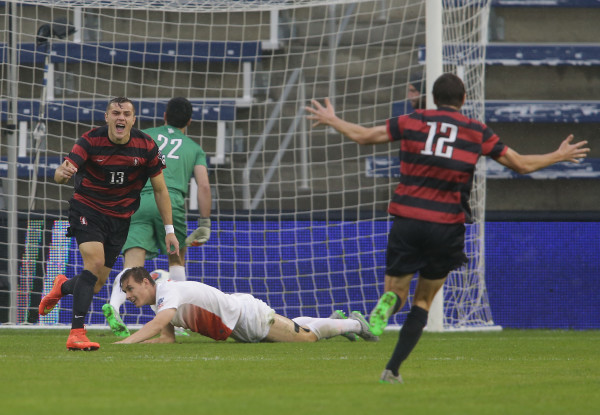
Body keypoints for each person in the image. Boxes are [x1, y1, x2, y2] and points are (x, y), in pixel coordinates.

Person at [305, 73, 590, 383]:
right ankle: (392, 370)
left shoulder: (413, 120)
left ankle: (386, 306)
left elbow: (364, 136)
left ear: (432, 97)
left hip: (409, 220)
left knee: (396, 291)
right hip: (446, 225)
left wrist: (333, 119)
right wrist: (559, 155)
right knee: (424, 301)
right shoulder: (477, 131)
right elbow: (520, 164)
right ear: (464, 99)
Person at [38, 97, 179, 351]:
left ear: (134, 119)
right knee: (92, 263)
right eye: (115, 113)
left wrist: (170, 231)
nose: (120, 118)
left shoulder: (146, 146)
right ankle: (77, 333)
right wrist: (62, 173)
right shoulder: (90, 140)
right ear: (107, 117)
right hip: (87, 209)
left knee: (96, 283)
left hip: (120, 219)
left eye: (126, 113)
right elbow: (62, 171)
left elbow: (160, 190)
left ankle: (63, 286)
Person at [102, 97, 212, 338]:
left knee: (132, 262)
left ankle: (115, 307)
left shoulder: (144, 134)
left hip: (140, 199)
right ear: (189, 121)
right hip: (170, 201)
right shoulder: (193, 148)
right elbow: (203, 186)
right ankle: (178, 322)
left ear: (164, 116)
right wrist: (204, 222)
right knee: (176, 260)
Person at [114, 267, 379, 344]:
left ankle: (353, 323)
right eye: (125, 292)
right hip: (238, 320)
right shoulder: (158, 304)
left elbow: (159, 325)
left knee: (306, 339)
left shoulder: (167, 292)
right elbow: (166, 339)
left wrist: (124, 344)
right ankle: (331, 322)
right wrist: (133, 344)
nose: (128, 296)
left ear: (147, 283)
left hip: (247, 317)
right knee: (293, 330)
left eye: (130, 289)